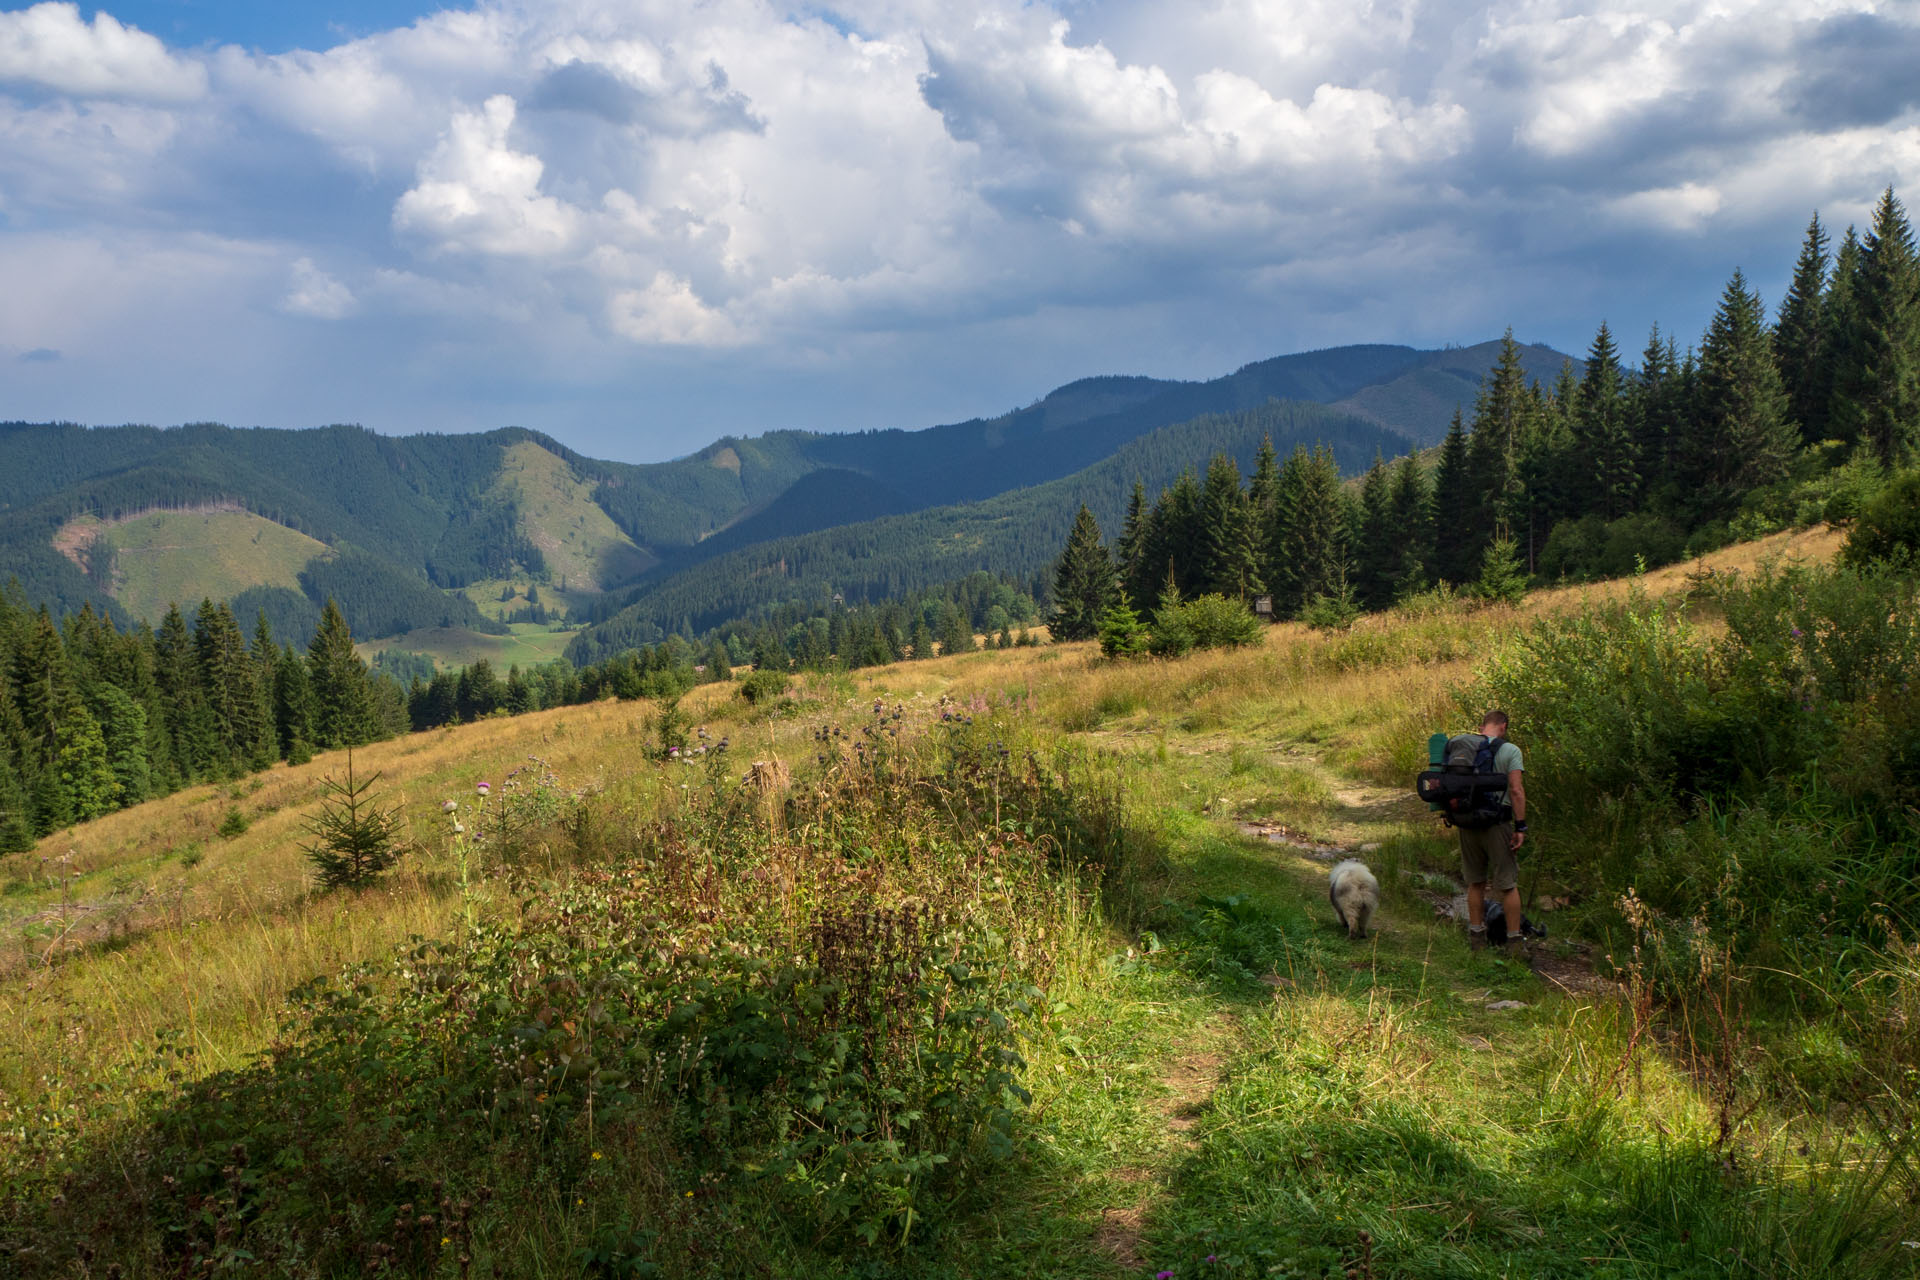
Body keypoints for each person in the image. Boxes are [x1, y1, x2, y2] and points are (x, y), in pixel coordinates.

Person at [1461, 710, 1527, 954]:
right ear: (1504, 726)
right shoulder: (1510, 751)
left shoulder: (1465, 747)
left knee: (1475, 882)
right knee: (1508, 884)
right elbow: (1516, 790)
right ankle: (1514, 944)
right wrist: (1520, 826)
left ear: (1481, 727)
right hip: (1497, 823)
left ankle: (1476, 939)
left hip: (1467, 823)